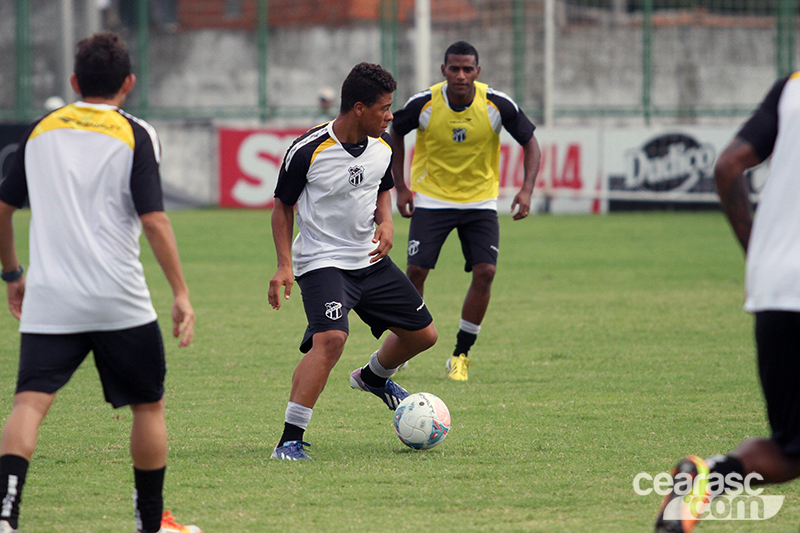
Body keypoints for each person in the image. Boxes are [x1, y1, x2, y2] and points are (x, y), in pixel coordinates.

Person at [0, 33, 200, 533]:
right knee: (148, 406)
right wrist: (180, 292)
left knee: (28, 403)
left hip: (51, 299)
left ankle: (5, 518)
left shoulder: (40, 130)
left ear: (73, 81)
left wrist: (12, 274)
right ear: (129, 83)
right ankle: (150, 525)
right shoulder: (136, 133)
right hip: (119, 300)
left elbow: (2, 209)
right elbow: (154, 220)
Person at [268, 62, 438, 461]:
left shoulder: (383, 147)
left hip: (369, 259)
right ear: (359, 108)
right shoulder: (307, 150)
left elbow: (383, 188)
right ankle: (289, 441)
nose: (390, 116)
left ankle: (374, 377)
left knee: (424, 336)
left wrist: (386, 222)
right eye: (384, 108)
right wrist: (284, 264)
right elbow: (282, 208)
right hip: (322, 261)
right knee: (331, 340)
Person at [655, 74, 800, 532]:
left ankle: (708, 477)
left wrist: (759, 258)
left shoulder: (792, 86)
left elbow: (728, 166)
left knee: (792, 450)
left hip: (776, 289)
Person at [390, 41, 541, 381]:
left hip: (480, 202)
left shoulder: (496, 104)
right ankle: (402, 349)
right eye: (454, 69)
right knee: (415, 271)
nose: (460, 75)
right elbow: (395, 132)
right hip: (432, 199)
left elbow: (531, 142)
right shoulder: (424, 103)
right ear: (443, 71)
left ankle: (460, 355)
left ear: (477, 71)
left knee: (486, 272)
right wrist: (400, 186)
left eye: (467, 69)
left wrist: (526, 189)